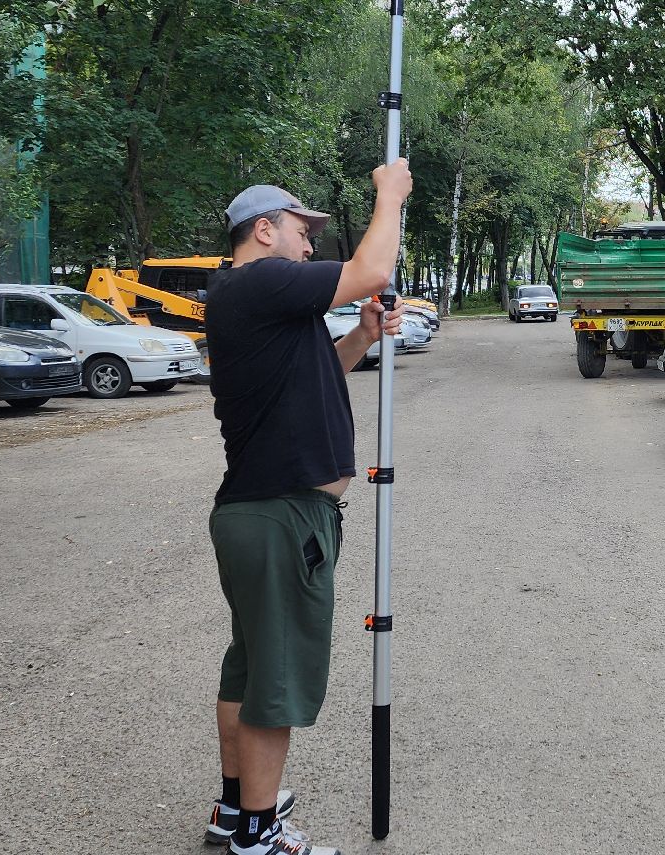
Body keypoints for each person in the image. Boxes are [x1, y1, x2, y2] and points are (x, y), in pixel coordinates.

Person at [202, 165, 411, 855]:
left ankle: (235, 810)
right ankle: (258, 835)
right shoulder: (259, 280)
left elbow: (317, 371)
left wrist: (364, 338)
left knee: (253, 667)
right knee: (280, 681)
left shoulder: (253, 302)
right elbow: (373, 265)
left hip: (258, 514)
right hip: (281, 516)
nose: (309, 246)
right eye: (302, 231)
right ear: (263, 230)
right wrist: (391, 194)